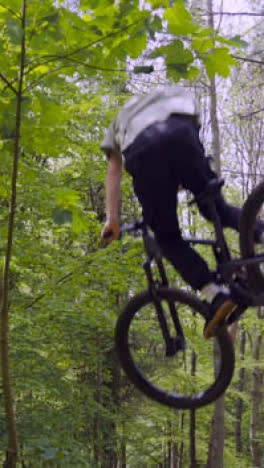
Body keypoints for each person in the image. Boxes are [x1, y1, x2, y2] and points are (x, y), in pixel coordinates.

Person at [100, 85, 264, 338]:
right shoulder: (173, 95)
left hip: (143, 154)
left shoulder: (120, 118)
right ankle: (261, 234)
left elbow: (114, 169)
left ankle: (214, 295)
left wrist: (112, 219)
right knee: (216, 209)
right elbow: (189, 141)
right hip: (182, 135)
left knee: (167, 238)